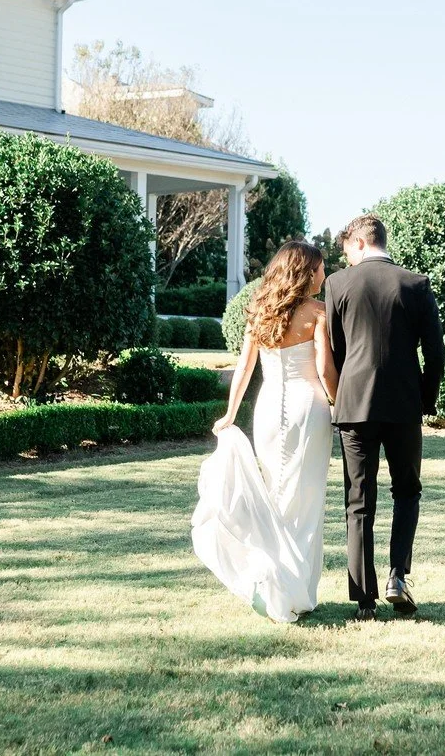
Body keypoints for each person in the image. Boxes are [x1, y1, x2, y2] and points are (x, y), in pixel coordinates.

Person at [192, 241, 338, 622]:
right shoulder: (319, 313)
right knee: (304, 499)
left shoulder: (261, 311)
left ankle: (273, 582)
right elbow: (324, 371)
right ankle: (296, 590)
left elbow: (243, 370)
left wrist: (230, 414)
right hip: (310, 410)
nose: (325, 274)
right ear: (306, 272)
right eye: (321, 268)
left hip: (268, 411)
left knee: (275, 494)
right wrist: (340, 402)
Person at [324, 214, 445, 621]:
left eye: (346, 252)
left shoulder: (338, 284)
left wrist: (345, 392)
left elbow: (336, 350)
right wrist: (424, 399)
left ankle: (364, 599)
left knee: (358, 501)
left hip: (353, 405)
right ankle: (397, 576)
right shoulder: (416, 284)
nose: (347, 259)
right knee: (407, 491)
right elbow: (436, 353)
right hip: (404, 405)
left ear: (359, 243)